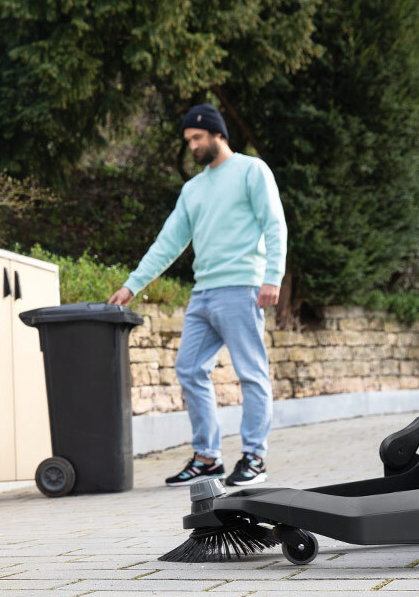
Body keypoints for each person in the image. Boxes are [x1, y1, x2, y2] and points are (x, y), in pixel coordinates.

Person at [107, 103, 287, 487]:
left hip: (242, 287)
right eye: (188, 140)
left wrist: (272, 277)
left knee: (251, 373)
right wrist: (132, 284)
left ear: (218, 134)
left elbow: (274, 224)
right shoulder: (193, 189)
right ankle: (207, 458)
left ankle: (255, 458)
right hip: (202, 293)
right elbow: (168, 242)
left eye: (197, 138)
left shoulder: (251, 170)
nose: (192, 146)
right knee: (189, 369)